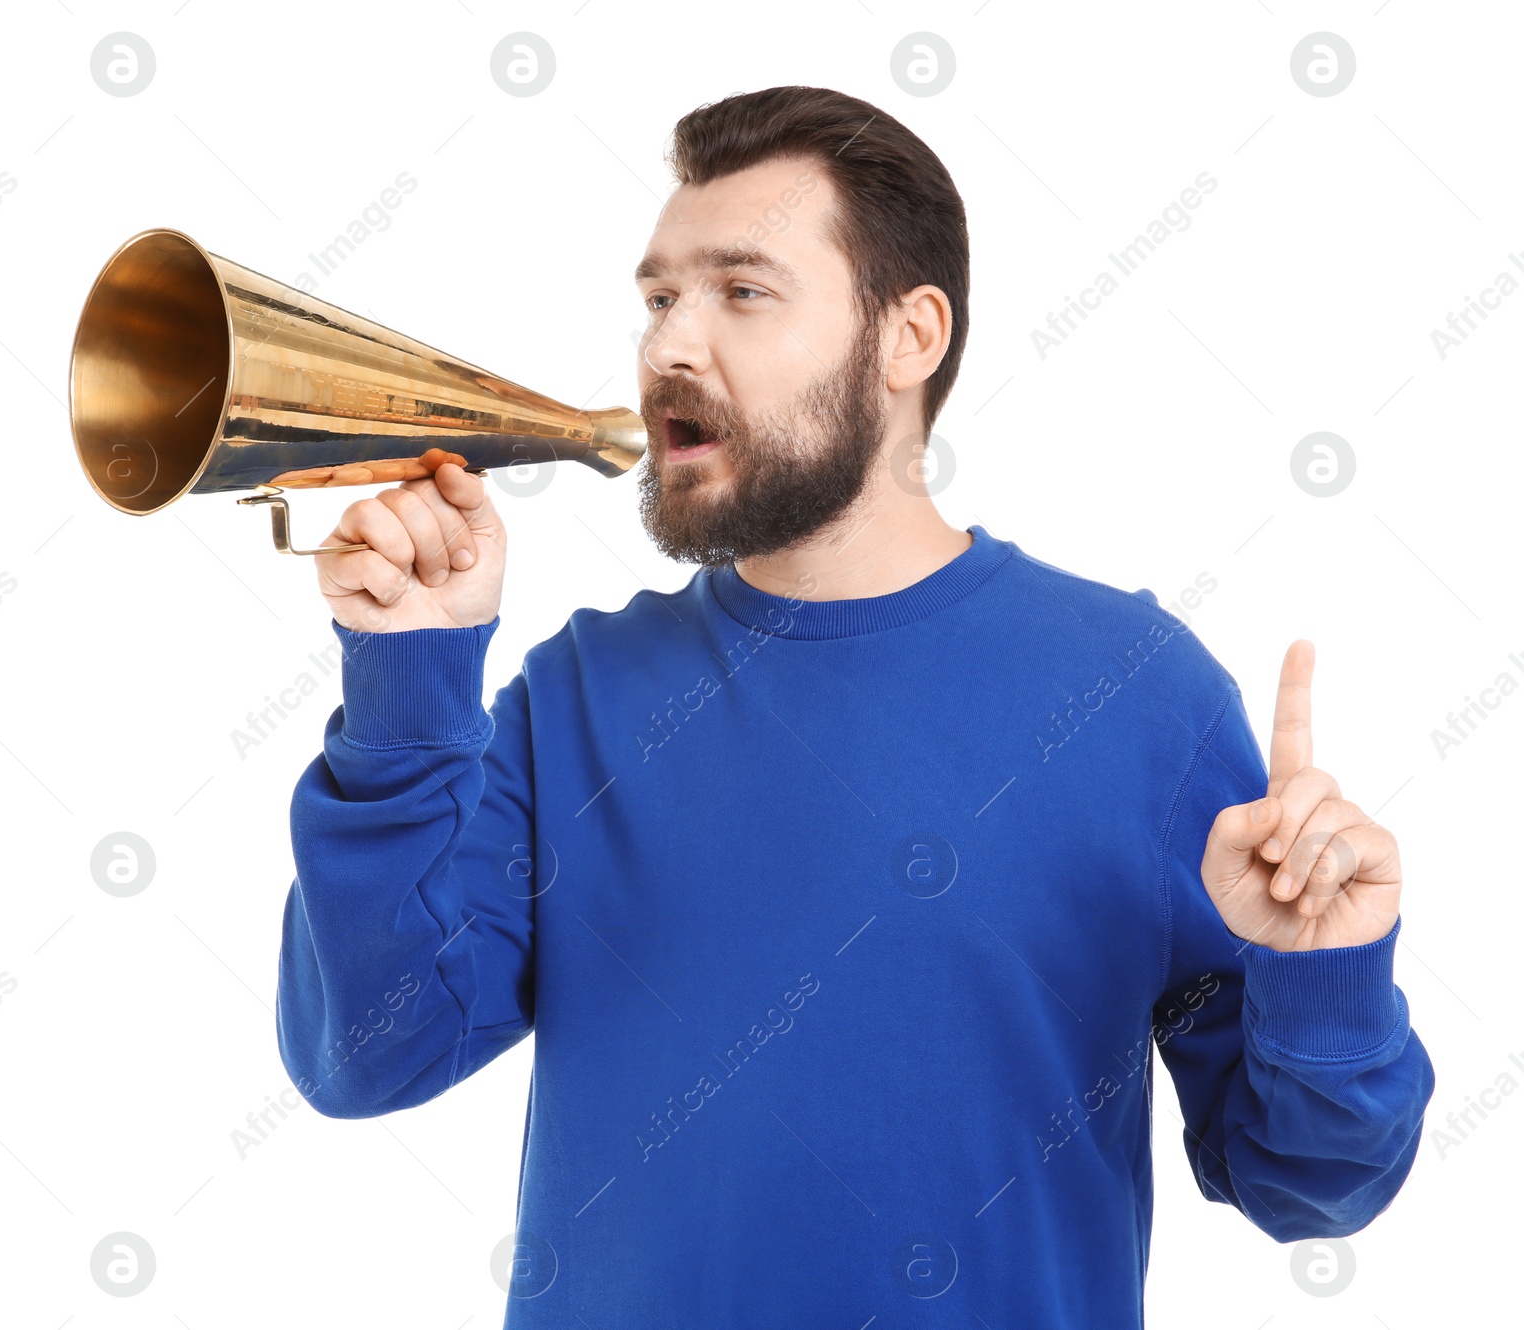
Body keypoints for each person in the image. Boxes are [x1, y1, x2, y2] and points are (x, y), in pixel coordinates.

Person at [275, 85, 1434, 1327]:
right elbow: (366, 1055)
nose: (669, 343)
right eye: (659, 296)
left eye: (742, 290)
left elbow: (1305, 1186)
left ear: (907, 338)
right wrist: (407, 687)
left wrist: (1325, 977)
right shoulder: (580, 695)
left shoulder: (1137, 692)